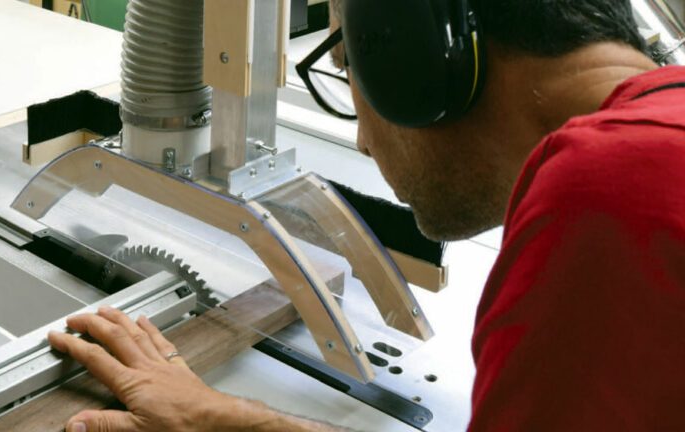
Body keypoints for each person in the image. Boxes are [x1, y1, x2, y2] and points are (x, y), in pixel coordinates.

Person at [47, 0, 685, 431]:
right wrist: (216, 416)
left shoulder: (608, 193)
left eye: (350, 66)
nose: (361, 142)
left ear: (410, 56)